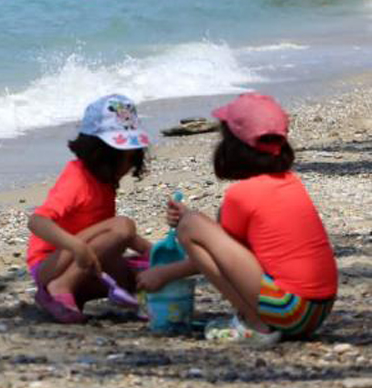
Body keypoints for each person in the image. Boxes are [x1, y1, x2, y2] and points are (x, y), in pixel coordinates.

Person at [137, 93, 337, 345]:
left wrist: (164, 273)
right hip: (317, 311)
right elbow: (232, 248)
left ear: (232, 146)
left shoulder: (241, 194)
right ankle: (262, 321)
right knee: (193, 222)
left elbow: (223, 260)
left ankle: (256, 325)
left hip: (289, 309)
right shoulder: (290, 182)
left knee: (190, 225)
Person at [27, 94, 153, 323]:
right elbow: (37, 222)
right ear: (99, 152)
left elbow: (104, 232)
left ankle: (72, 294)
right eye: (122, 158)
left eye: (133, 158)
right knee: (123, 225)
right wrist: (76, 246)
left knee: (147, 273)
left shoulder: (104, 181)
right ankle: (61, 287)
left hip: (86, 263)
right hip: (51, 265)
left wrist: (153, 252)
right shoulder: (77, 179)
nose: (127, 166)